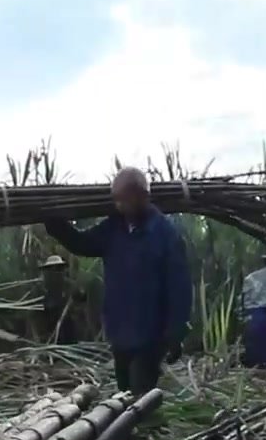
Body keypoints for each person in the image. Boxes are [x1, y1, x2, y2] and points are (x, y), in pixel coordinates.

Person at [44, 168, 193, 393]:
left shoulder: (164, 233)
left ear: (142, 196)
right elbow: (83, 244)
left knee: (138, 394)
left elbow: (179, 287)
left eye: (124, 200)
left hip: (150, 333)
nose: (119, 206)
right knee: (124, 393)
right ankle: (136, 425)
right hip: (120, 330)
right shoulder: (114, 228)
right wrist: (55, 224)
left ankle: (140, 425)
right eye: (116, 200)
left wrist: (175, 333)